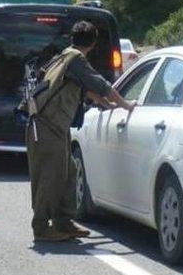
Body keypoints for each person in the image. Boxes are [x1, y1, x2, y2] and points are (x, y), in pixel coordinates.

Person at [27, 21, 136, 242]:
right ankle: (41, 227)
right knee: (51, 176)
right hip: (48, 126)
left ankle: (63, 221)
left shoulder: (64, 55)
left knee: (68, 171)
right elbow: (101, 85)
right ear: (93, 43)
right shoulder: (76, 59)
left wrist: (106, 105)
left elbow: (85, 88)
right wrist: (127, 105)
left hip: (52, 126)